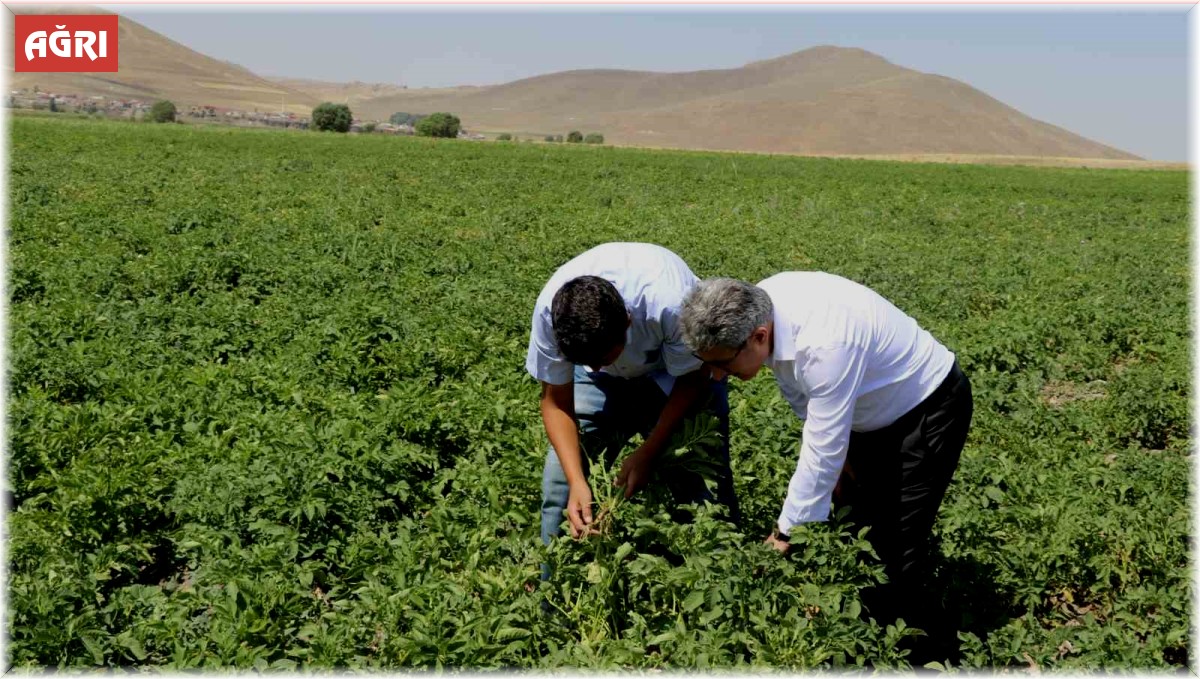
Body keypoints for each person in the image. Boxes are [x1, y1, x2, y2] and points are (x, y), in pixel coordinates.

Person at [679, 272, 973, 632]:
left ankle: (898, 645)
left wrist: (785, 533)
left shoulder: (824, 344)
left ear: (758, 336)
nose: (717, 375)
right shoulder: (763, 309)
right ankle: (849, 615)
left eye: (722, 364)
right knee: (853, 518)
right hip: (865, 409)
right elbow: (802, 395)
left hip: (925, 409)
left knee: (894, 542)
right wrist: (838, 460)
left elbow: (822, 445)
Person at [527, 243, 740, 556]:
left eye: (603, 357)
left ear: (628, 323)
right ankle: (549, 594)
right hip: (602, 382)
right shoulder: (553, 314)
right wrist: (577, 481)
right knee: (560, 489)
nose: (596, 367)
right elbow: (556, 400)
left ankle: (723, 571)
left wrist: (648, 452)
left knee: (703, 482)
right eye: (586, 361)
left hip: (676, 372)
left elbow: (694, 379)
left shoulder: (671, 305)